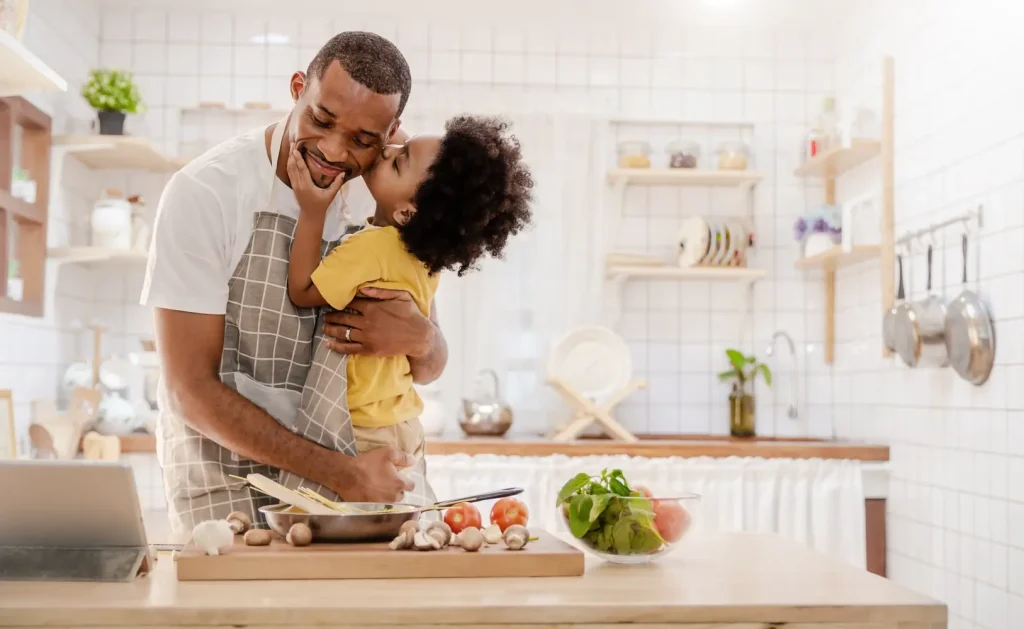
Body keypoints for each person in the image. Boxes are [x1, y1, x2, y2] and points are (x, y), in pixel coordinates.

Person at [142, 31, 448, 532]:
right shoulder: (206, 192)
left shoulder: (388, 196)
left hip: (363, 493)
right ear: (297, 87)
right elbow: (189, 390)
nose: (332, 151)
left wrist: (422, 337)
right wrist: (342, 474)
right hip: (234, 493)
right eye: (321, 120)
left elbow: (429, 365)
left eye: (361, 140)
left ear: (392, 132)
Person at [285, 116, 533, 504]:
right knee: (404, 529)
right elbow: (409, 154)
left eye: (399, 161)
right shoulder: (422, 258)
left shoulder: (372, 248)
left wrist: (311, 211)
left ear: (407, 213)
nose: (388, 150)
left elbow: (302, 291)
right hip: (401, 423)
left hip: (363, 428)